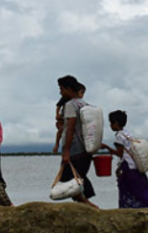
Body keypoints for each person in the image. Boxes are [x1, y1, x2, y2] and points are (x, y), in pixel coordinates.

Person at [56, 76, 98, 208]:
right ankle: (87, 205)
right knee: (77, 180)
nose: (60, 92)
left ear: (68, 89)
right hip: (86, 148)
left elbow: (70, 129)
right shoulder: (84, 104)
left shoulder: (70, 105)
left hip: (75, 149)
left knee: (70, 181)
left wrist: (66, 151)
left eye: (61, 89)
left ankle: (91, 207)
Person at [101, 111, 148, 209]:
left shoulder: (119, 136)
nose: (110, 125)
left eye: (111, 123)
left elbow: (120, 153)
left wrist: (106, 147)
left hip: (129, 169)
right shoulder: (127, 134)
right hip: (135, 167)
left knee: (128, 191)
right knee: (141, 193)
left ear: (116, 123)